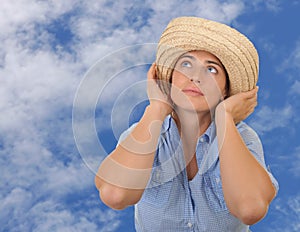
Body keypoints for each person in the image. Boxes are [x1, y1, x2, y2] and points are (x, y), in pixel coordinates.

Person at [95, 17, 279, 231]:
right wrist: (157, 107)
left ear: (226, 91)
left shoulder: (243, 138)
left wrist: (225, 116)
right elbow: (115, 195)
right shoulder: (143, 132)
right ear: (170, 78)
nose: (195, 77)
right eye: (186, 64)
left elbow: (250, 209)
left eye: (211, 70)